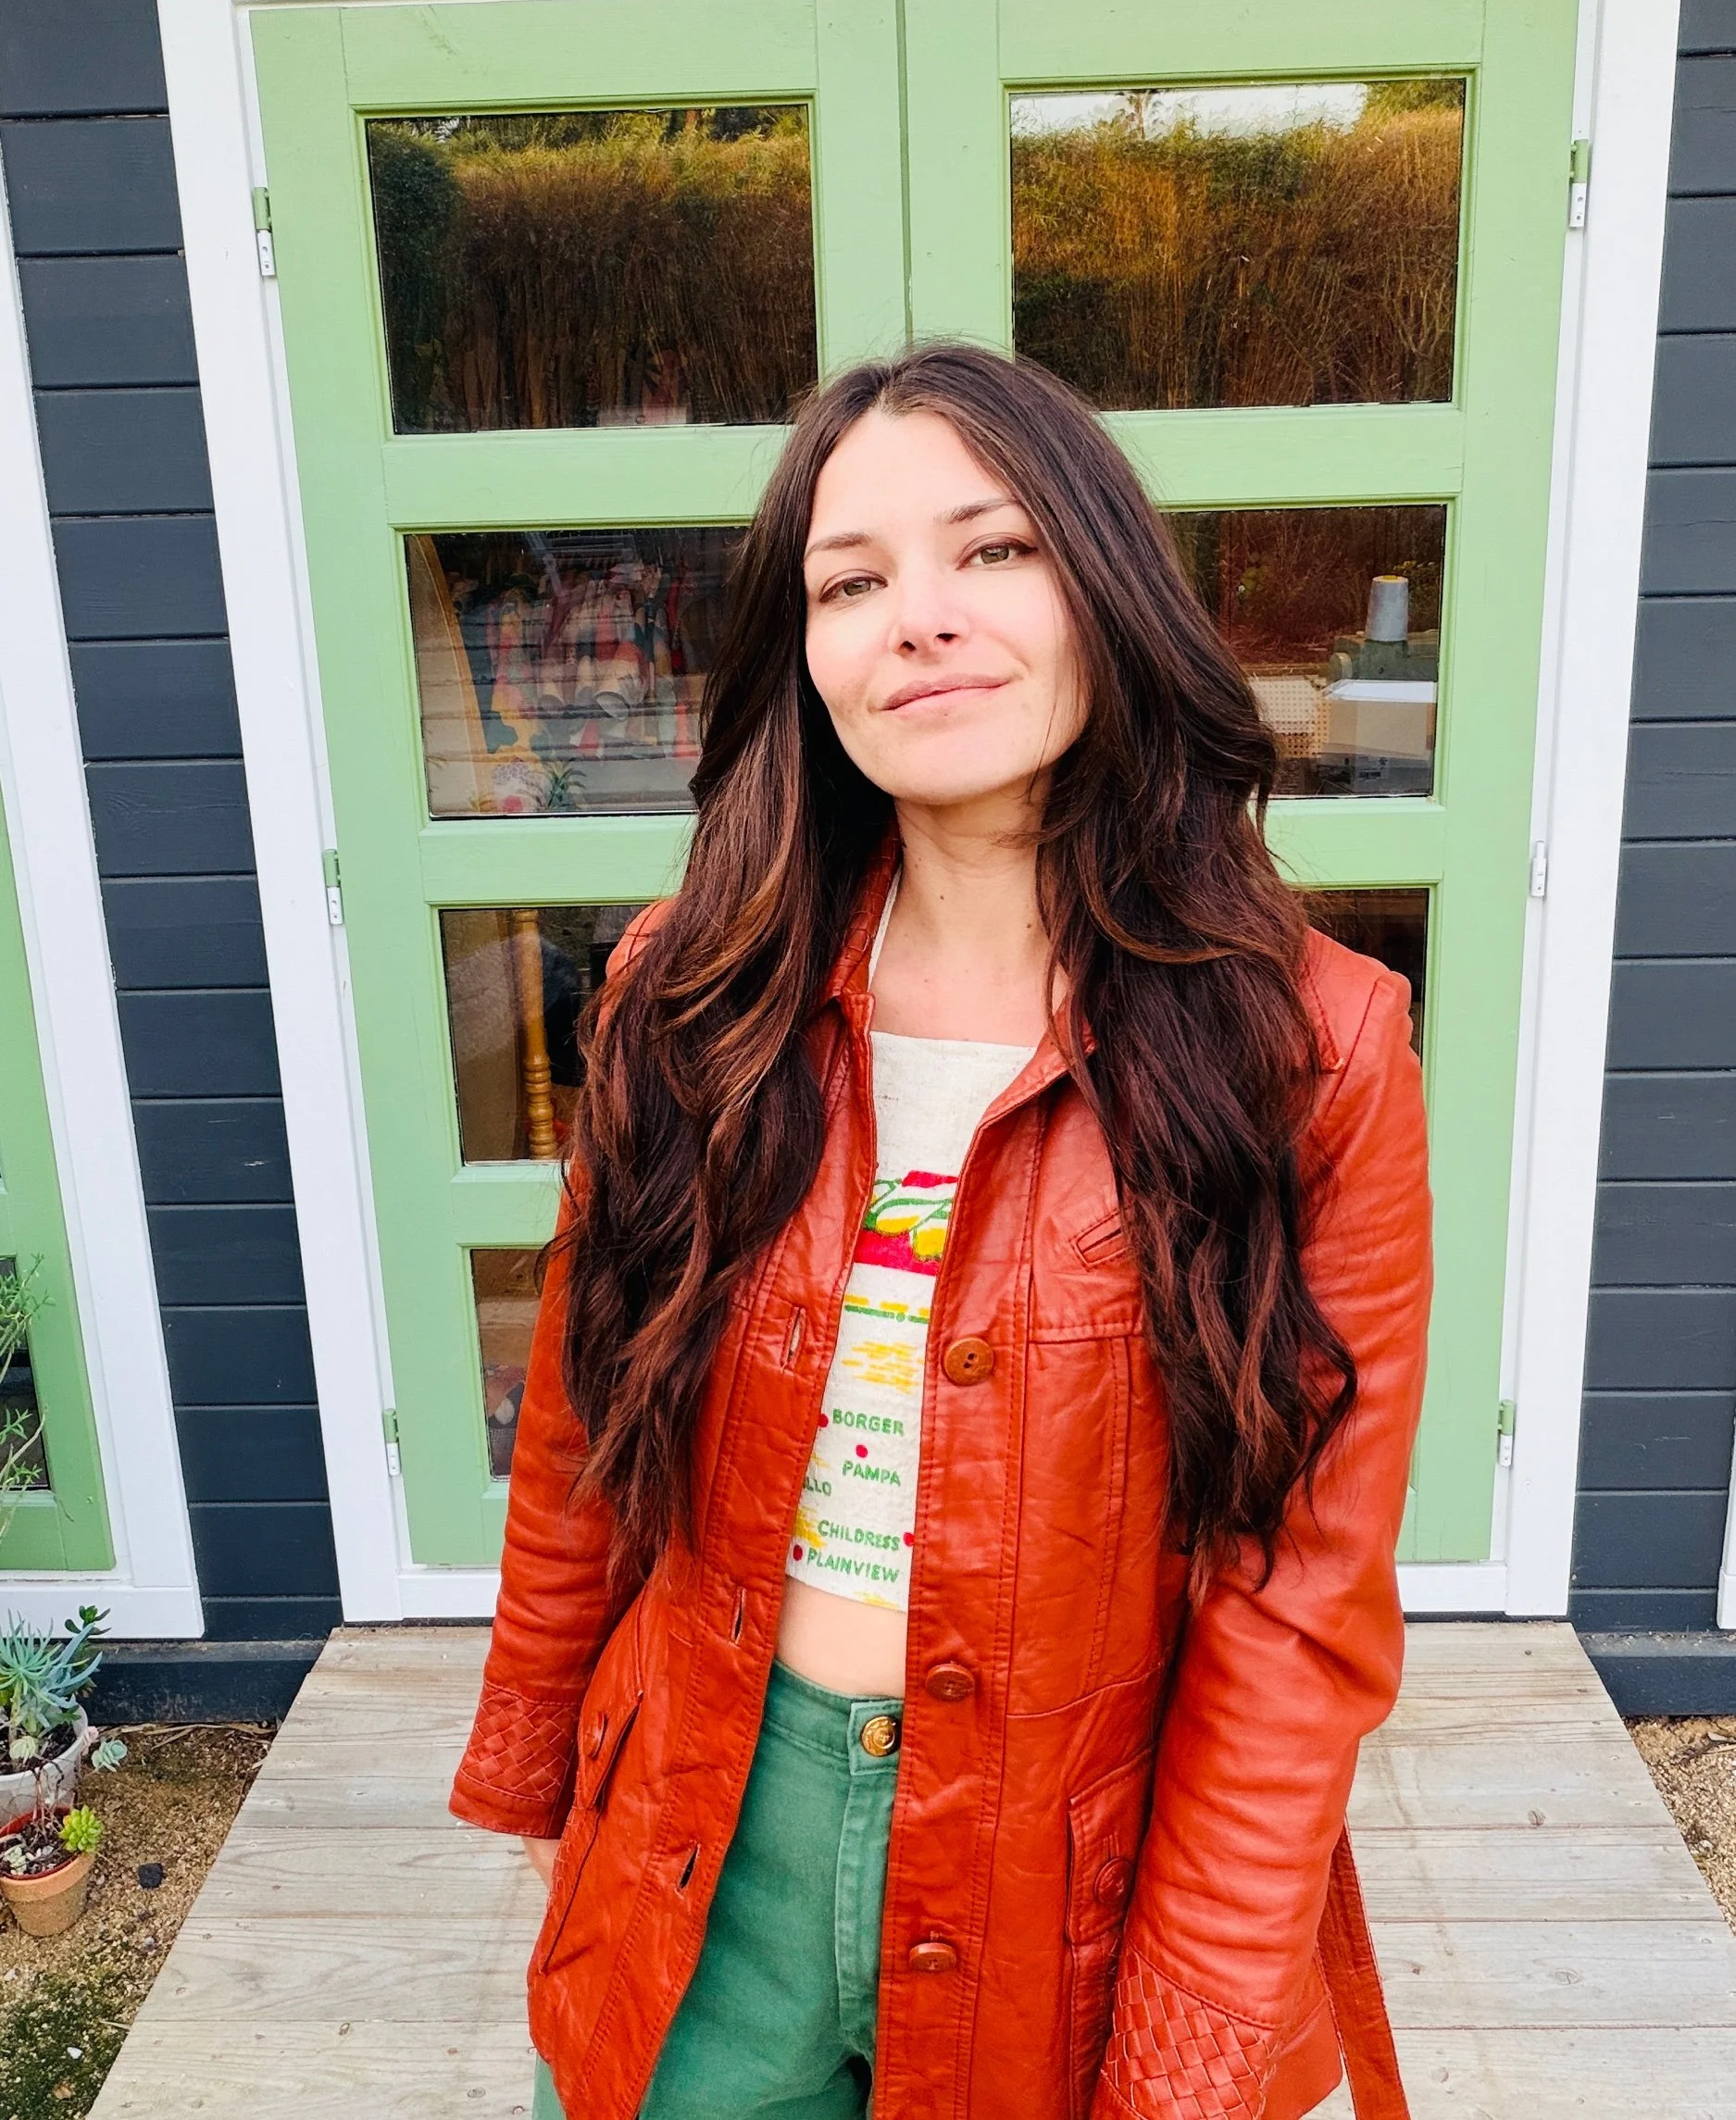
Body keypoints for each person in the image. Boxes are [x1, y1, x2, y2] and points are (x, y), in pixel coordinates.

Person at [448, 342, 1431, 2120]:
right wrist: (539, 1776)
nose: (917, 619)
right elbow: (587, 1420)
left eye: (992, 550)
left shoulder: (1312, 1047)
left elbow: (1296, 1610)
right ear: (804, 653)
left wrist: (1191, 2038)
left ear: (1104, 586)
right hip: (699, 1831)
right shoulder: (692, 994)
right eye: (850, 582)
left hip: (1069, 1879)